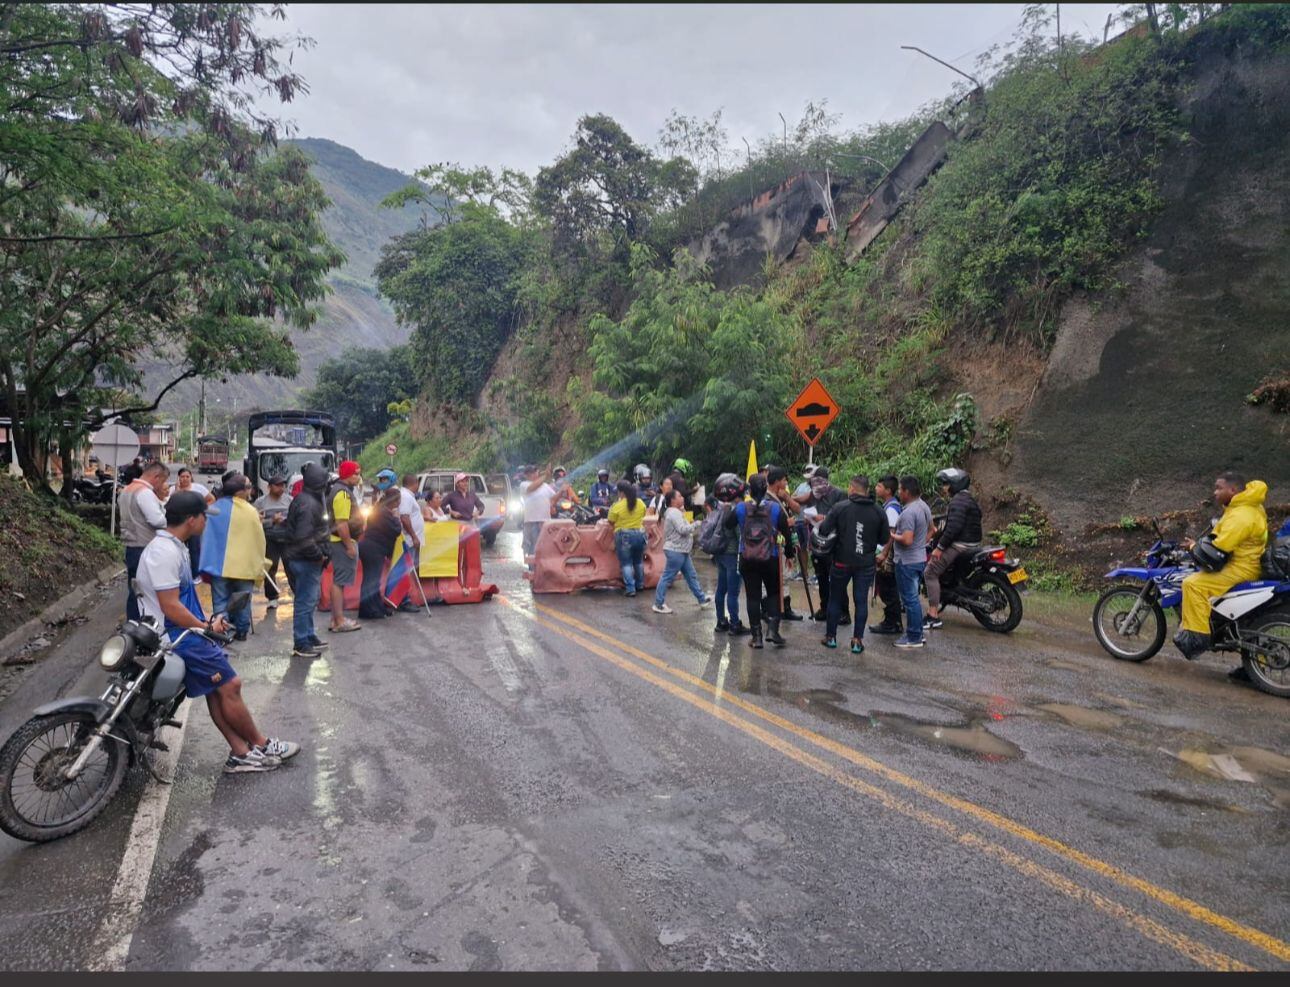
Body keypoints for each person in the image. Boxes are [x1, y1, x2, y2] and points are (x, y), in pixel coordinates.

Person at [136, 491, 300, 774]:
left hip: (183, 631)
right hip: (176, 636)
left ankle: (240, 753)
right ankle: (260, 744)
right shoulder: (164, 552)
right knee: (230, 685)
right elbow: (171, 606)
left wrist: (208, 622)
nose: (206, 523)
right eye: (203, 517)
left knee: (217, 689)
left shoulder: (175, 546)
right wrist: (205, 627)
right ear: (191, 519)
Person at [1174, 473, 1269, 670]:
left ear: (1232, 490)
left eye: (1219, 488)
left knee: (1192, 584)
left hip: (1239, 569)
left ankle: (1197, 638)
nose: (1215, 492)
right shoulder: (1247, 506)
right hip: (1246, 563)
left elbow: (1219, 549)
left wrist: (1194, 548)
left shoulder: (1241, 515)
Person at [817, 475, 889, 654]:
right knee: (860, 601)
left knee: (835, 598)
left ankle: (831, 637)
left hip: (841, 561)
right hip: (865, 564)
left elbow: (824, 529)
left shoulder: (840, 508)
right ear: (867, 490)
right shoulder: (878, 511)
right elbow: (884, 538)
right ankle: (857, 641)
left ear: (851, 488)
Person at [725, 472, 794, 649]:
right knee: (773, 593)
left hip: (747, 558)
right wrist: (789, 554)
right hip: (770, 557)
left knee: (753, 597)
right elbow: (786, 533)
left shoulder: (741, 508)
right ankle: (773, 630)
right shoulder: (775, 508)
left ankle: (756, 637)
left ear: (749, 490)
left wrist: (728, 506)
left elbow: (728, 524)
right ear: (765, 489)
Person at [198, 473, 265, 642]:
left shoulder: (214, 509)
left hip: (219, 565)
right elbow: (259, 540)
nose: (250, 490)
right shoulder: (251, 512)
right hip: (243, 566)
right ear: (239, 492)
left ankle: (222, 631)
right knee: (243, 600)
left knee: (220, 601)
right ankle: (242, 631)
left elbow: (205, 537)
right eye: (248, 487)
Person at [923, 468, 983, 631]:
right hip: (973, 543)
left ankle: (933, 616)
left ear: (954, 485)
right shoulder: (969, 499)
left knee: (930, 572)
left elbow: (953, 528)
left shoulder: (957, 501)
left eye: (946, 484)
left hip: (960, 544)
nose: (944, 488)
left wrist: (940, 548)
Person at [282, 462, 331, 658]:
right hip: (305, 560)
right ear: (320, 483)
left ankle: (309, 636)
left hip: (306, 559)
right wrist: (318, 555)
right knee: (305, 602)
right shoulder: (309, 504)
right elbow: (304, 537)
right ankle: (301, 642)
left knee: (310, 600)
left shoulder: (307, 499)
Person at [119, 462, 170, 621]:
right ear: (156, 477)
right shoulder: (145, 493)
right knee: (147, 591)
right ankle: (143, 626)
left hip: (131, 547)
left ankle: (132, 624)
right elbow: (157, 521)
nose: (161, 486)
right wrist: (168, 514)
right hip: (145, 548)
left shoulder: (126, 490)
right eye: (162, 481)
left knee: (134, 590)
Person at [798, 466, 848, 624]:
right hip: (816, 541)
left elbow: (844, 517)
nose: (815, 485)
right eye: (813, 482)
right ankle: (825, 608)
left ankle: (843, 612)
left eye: (818, 482)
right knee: (821, 577)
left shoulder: (839, 494)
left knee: (836, 578)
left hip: (834, 543)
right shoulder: (814, 495)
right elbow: (800, 502)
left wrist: (824, 517)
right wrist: (809, 518)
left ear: (825, 481)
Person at [652, 489, 710, 614]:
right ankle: (659, 604)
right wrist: (696, 524)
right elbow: (683, 529)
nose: (682, 497)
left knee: (691, 575)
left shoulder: (675, 512)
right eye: (679, 496)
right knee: (667, 577)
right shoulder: (674, 513)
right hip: (676, 550)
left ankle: (701, 599)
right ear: (673, 500)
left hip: (681, 550)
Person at [892, 475, 932, 650]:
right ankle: (917, 634)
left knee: (910, 599)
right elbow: (933, 529)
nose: (899, 493)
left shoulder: (909, 512)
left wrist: (892, 535)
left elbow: (907, 540)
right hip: (919, 558)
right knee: (913, 598)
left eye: (900, 490)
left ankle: (914, 636)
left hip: (907, 561)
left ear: (907, 492)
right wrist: (921, 545)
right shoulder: (923, 506)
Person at [326, 460, 364, 633]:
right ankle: (339, 620)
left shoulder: (344, 490)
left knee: (338, 581)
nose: (358, 477)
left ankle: (336, 619)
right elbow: (341, 524)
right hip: (341, 543)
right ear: (347, 475)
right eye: (356, 474)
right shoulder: (342, 494)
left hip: (340, 542)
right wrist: (349, 546)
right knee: (339, 582)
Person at [764, 465, 805, 621]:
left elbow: (797, 509)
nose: (786, 482)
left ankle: (785, 607)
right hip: (775, 543)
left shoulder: (781, 496)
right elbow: (766, 524)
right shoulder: (767, 499)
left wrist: (787, 497)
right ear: (777, 482)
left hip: (784, 541)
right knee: (776, 577)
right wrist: (785, 523)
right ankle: (771, 609)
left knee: (785, 576)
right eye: (784, 480)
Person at [710, 473, 748, 636]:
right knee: (733, 592)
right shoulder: (735, 510)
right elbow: (741, 536)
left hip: (720, 554)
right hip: (733, 555)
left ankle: (721, 621)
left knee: (721, 589)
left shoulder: (718, 508)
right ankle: (734, 624)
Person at [357, 488, 403, 620]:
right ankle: (368, 610)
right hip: (373, 548)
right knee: (371, 580)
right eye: (398, 500)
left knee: (373, 580)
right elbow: (396, 530)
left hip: (372, 547)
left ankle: (377, 607)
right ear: (394, 501)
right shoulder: (384, 513)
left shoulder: (380, 509)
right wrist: (396, 518)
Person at [869, 475, 905, 636]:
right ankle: (891, 621)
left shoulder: (891, 508)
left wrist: (883, 553)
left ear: (888, 490)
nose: (876, 489)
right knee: (886, 587)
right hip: (887, 552)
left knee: (887, 588)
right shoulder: (890, 505)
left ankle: (893, 623)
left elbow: (891, 533)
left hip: (888, 555)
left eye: (879, 486)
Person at [255, 475, 292, 607]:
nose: (281, 488)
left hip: (287, 539)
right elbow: (255, 523)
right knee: (270, 568)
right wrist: (272, 521)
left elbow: (295, 519)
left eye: (282, 485)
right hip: (269, 539)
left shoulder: (290, 500)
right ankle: (272, 597)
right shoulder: (260, 503)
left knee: (291, 567)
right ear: (269, 487)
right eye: (277, 485)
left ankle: (297, 593)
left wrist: (286, 521)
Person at [609, 478, 647, 597]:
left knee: (626, 563)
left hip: (624, 535)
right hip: (640, 534)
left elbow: (611, 521)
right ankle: (640, 585)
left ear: (621, 493)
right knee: (638, 561)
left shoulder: (617, 506)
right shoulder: (640, 502)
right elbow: (644, 514)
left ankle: (630, 588)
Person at [520, 465, 556, 557]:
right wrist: (545, 476)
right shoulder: (524, 484)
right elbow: (532, 488)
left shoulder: (545, 486)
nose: (534, 474)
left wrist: (562, 490)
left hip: (545, 521)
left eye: (535, 472)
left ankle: (543, 568)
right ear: (526, 475)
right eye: (531, 473)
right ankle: (533, 569)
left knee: (546, 546)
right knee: (533, 547)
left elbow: (554, 498)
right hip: (532, 521)